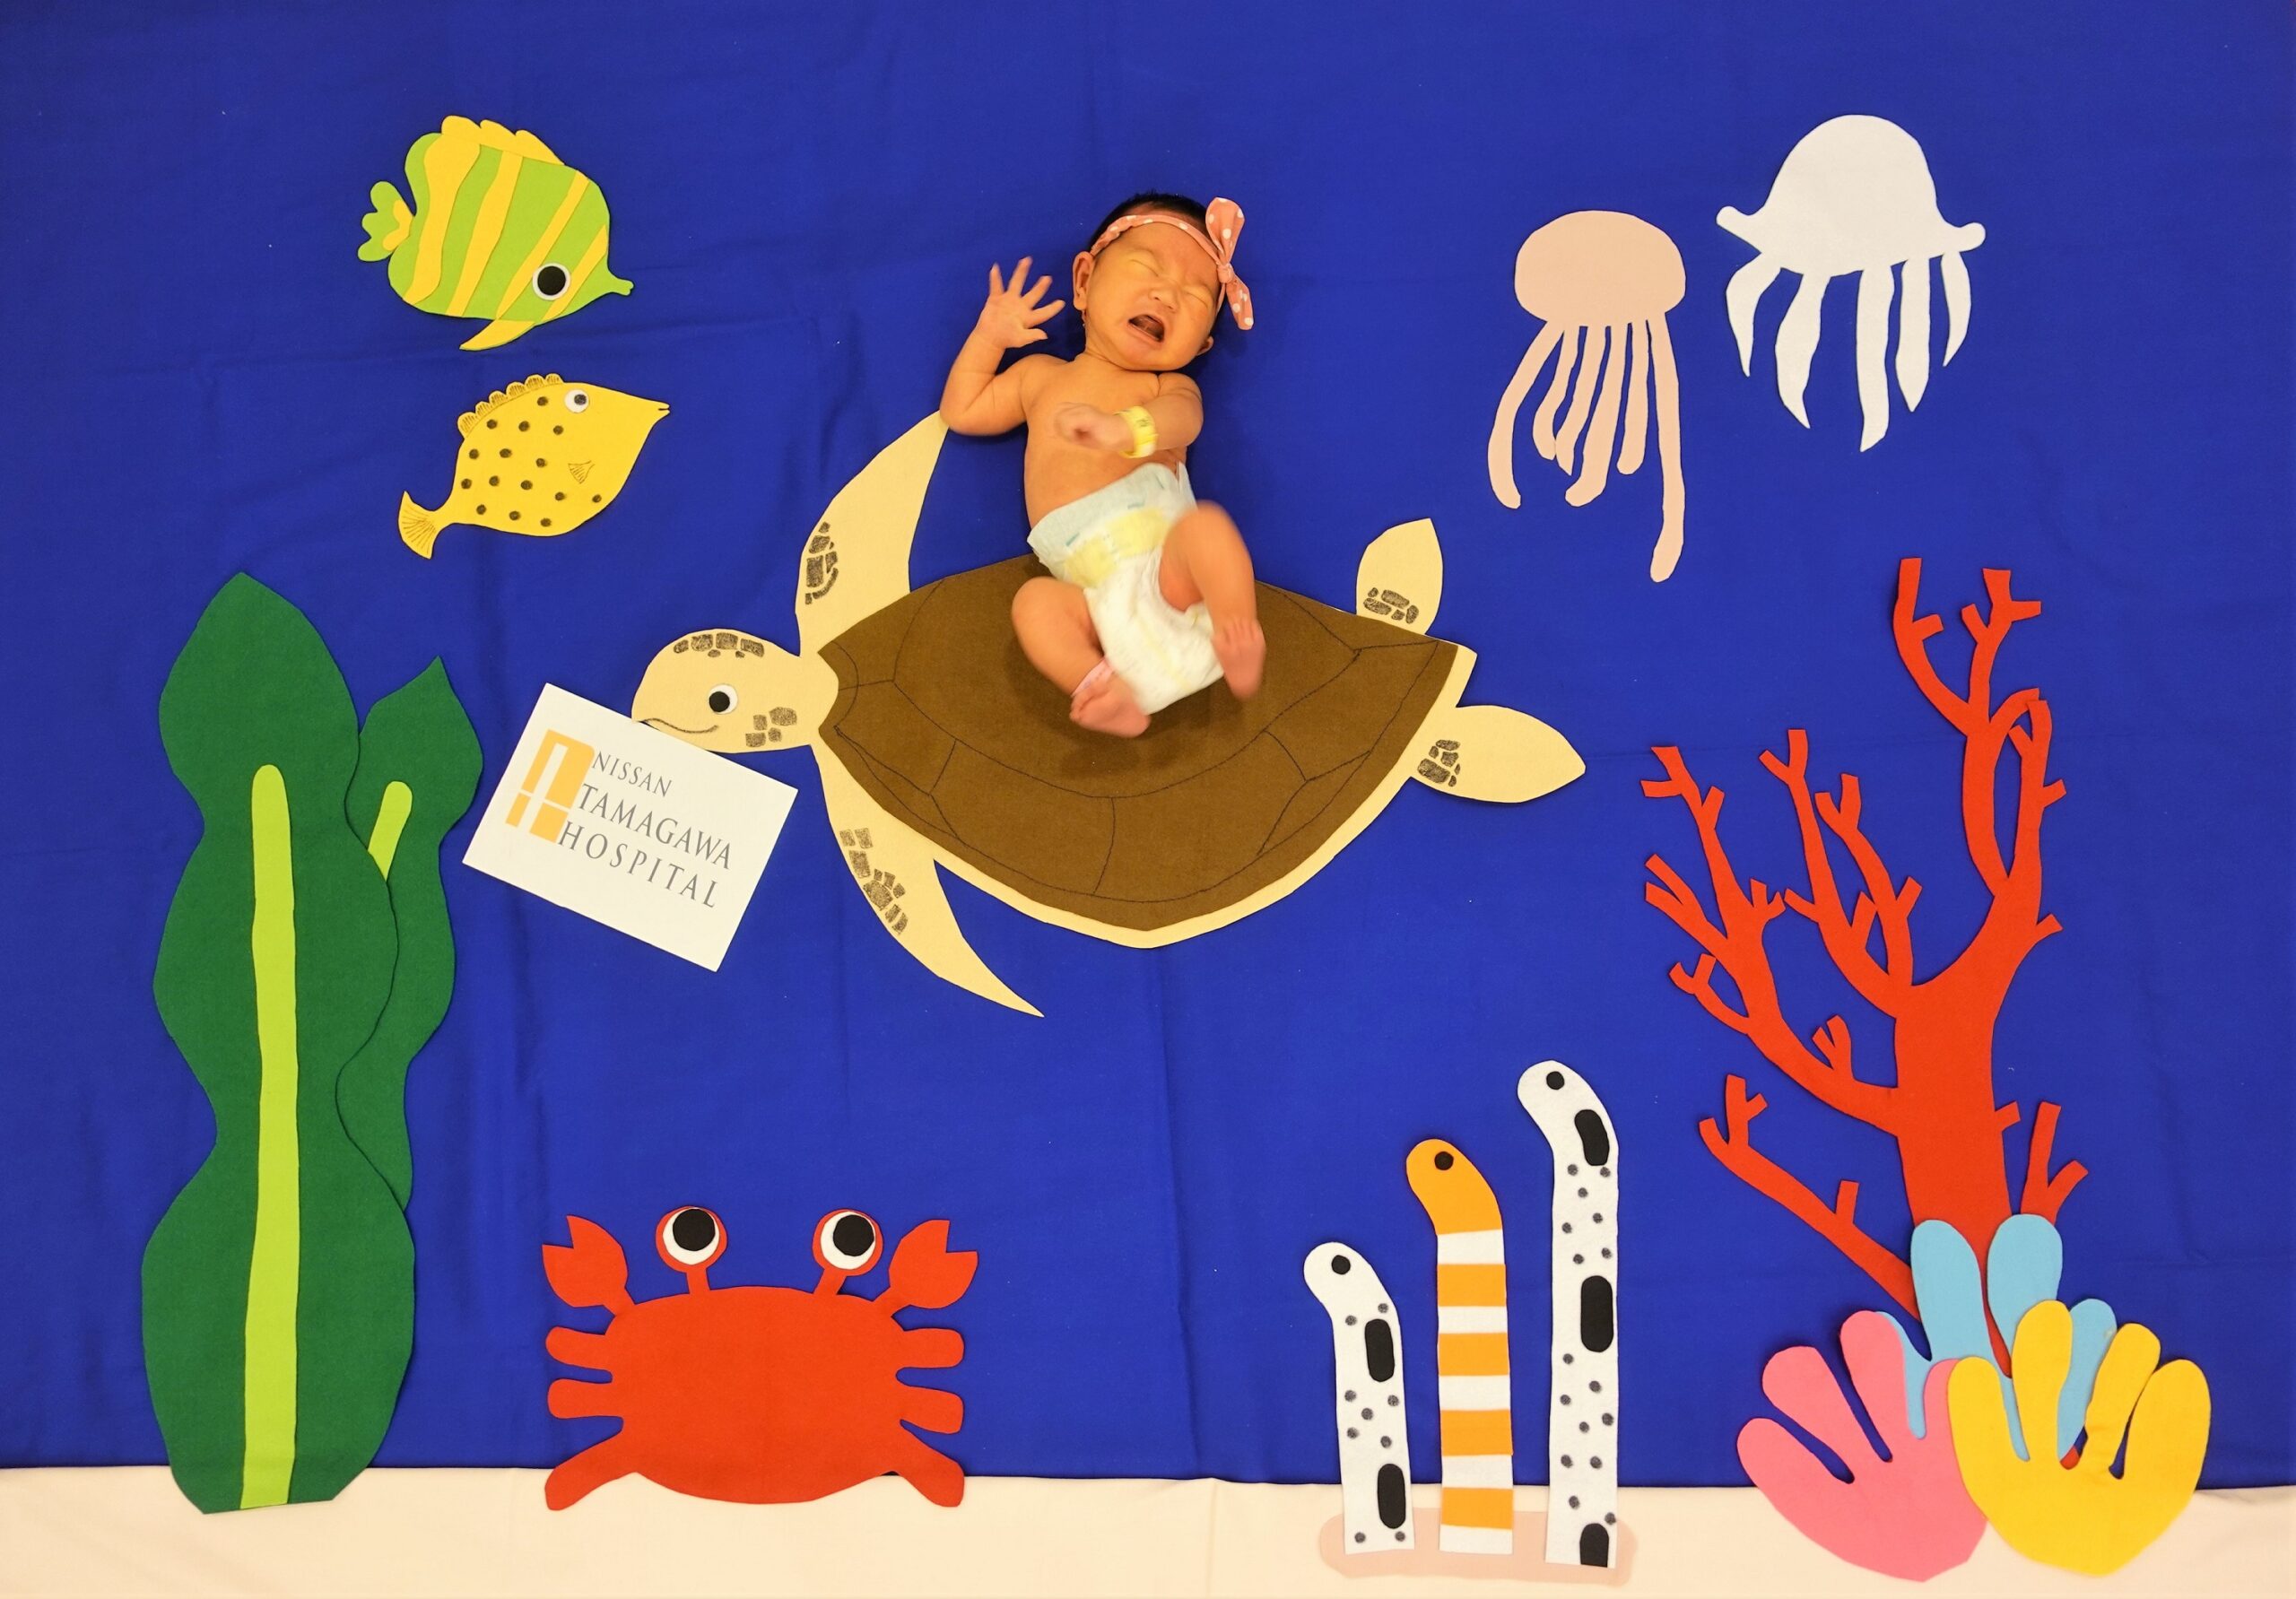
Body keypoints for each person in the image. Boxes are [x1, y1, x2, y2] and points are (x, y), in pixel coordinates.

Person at [939, 193, 1262, 736]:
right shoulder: (1039, 377)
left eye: (1194, 295)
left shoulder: (1166, 387)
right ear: (1085, 281)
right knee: (1034, 605)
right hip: (1095, 602)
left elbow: (1185, 422)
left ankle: (1239, 634)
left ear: (1202, 345)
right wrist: (989, 338)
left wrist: (1127, 429)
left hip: (1172, 581)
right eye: (1148, 268)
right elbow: (963, 410)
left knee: (1207, 530)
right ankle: (1097, 686)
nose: (1167, 295)